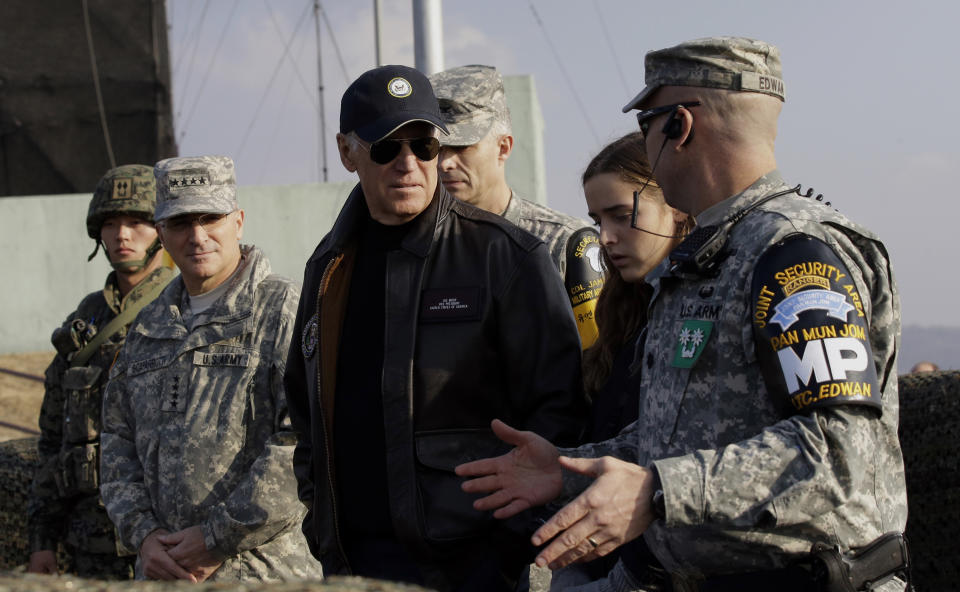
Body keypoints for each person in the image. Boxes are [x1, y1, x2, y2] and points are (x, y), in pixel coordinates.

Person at [457, 37, 908, 592]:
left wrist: (658, 491)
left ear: (678, 126)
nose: (645, 141)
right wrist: (570, 470)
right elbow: (685, 439)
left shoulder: (795, 253)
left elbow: (839, 457)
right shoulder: (715, 254)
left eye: (648, 123)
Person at [284, 64, 587, 592]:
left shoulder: (505, 256)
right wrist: (320, 523)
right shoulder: (328, 267)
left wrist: (506, 548)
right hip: (351, 568)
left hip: (470, 570)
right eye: (385, 147)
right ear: (347, 152)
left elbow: (558, 412)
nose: (409, 164)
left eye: (424, 145)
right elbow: (306, 414)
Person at [99, 155, 322, 583]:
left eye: (211, 218)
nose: (198, 236)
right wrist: (145, 537)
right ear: (161, 234)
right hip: (162, 572)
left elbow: (303, 441)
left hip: (261, 572)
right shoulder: (147, 326)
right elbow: (116, 442)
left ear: (238, 220)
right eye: (181, 223)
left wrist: (216, 537)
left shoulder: (281, 310)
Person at [27, 164, 175, 579]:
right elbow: (53, 438)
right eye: (110, 223)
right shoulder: (84, 321)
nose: (122, 235)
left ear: (162, 228)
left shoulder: (183, 308)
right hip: (90, 544)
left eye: (136, 222)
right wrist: (42, 540)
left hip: (165, 540)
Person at [430, 64, 604, 348]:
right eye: (436, 149)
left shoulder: (565, 243)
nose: (444, 163)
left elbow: (597, 366)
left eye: (461, 148)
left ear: (503, 147)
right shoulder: (422, 245)